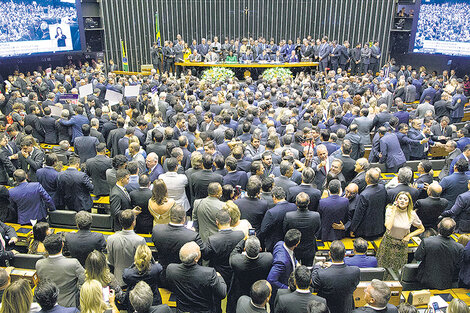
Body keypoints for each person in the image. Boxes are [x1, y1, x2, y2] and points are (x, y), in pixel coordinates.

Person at [166, 241, 227, 313]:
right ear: (196, 259)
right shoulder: (209, 273)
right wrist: (219, 277)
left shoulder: (171, 269)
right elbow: (222, 293)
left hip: (182, 310)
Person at [376, 192, 424, 280]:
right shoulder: (390, 209)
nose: (402, 201)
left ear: (408, 202)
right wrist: (394, 211)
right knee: (383, 266)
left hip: (401, 244)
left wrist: (409, 236)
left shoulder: (411, 214)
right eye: (400, 198)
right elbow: (388, 226)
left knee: (397, 269)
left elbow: (421, 229)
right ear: (396, 200)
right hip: (388, 242)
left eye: (405, 199)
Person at [36, 233, 85, 308]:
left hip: (47, 305)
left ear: (45, 249)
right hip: (69, 305)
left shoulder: (39, 264)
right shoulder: (73, 263)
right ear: (62, 245)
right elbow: (84, 281)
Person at [312, 240, 360, 313]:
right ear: (344, 255)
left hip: (326, 309)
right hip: (346, 309)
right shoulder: (355, 271)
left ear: (329, 254)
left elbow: (314, 283)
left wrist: (317, 266)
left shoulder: (321, 274)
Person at [415, 217, 464, 289]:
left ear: (438, 226)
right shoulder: (459, 247)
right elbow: (459, 266)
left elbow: (417, 257)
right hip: (447, 283)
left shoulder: (427, 242)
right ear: (453, 231)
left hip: (425, 281)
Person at [205, 209, 245, 288]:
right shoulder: (240, 235)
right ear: (230, 220)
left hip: (219, 274)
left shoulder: (212, 240)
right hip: (235, 273)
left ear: (217, 222)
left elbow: (206, 257)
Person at [106, 209, 146, 287]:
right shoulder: (140, 240)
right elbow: (143, 263)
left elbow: (110, 261)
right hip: (135, 281)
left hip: (118, 280)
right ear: (133, 222)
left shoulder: (111, 238)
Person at [283, 192, 321, 266]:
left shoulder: (289, 216)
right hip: (309, 248)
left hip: (294, 248)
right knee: (308, 270)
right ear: (309, 202)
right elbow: (317, 230)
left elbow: (285, 231)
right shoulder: (316, 216)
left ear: (296, 203)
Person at [350, 168, 388, 240]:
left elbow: (359, 214)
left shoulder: (364, 195)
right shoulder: (382, 188)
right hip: (379, 227)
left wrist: (353, 229)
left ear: (367, 179)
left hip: (366, 231)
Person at [123, 244, 163, 309]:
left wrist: (134, 263)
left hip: (135, 301)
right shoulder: (157, 269)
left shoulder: (127, 273)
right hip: (153, 300)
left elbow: (127, 278)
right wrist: (152, 260)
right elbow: (157, 268)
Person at [267, 229, 301, 301]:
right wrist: (287, 288)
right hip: (280, 295)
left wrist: (296, 262)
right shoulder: (282, 262)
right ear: (297, 244)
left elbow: (291, 256)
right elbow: (271, 280)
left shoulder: (280, 243)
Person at [260, 187, 297, 252]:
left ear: (274, 197)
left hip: (274, 245)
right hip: (290, 243)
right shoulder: (294, 207)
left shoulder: (271, 212)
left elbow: (263, 230)